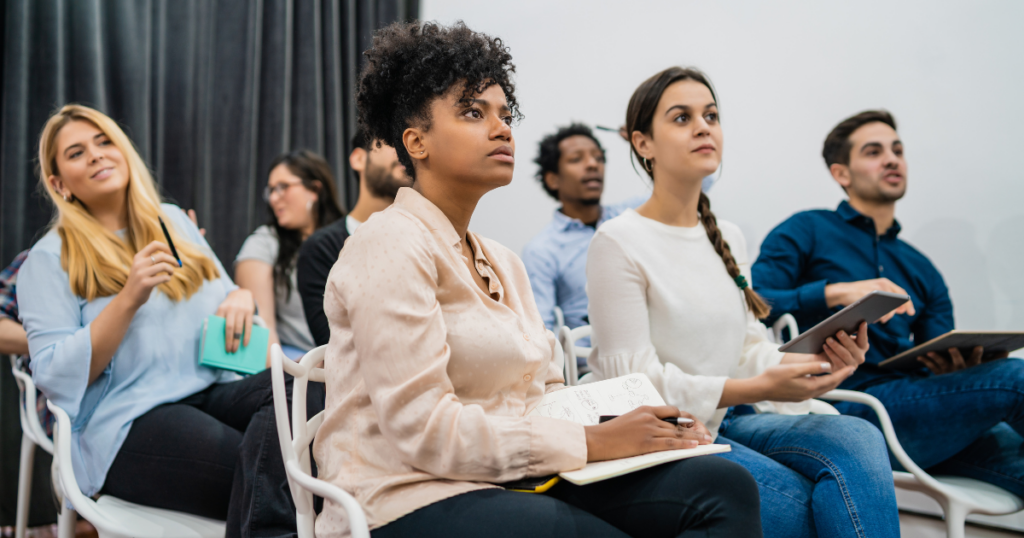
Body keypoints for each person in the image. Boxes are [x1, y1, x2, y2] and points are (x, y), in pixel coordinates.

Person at [312, 22, 762, 538]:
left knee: (723, 486)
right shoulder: (388, 243)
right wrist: (595, 443)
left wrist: (637, 422)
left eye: (505, 114)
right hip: (407, 494)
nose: (502, 128)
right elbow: (424, 431)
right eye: (473, 112)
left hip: (521, 478)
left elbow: (546, 389)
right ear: (416, 142)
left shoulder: (503, 261)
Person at [585, 67, 900, 538]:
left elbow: (748, 348)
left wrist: (813, 362)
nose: (703, 126)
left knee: (859, 436)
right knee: (802, 510)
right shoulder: (618, 242)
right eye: (681, 117)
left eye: (711, 115)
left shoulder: (726, 236)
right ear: (642, 143)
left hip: (731, 417)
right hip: (669, 435)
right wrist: (755, 388)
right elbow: (635, 385)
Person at [17, 104, 319, 537]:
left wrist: (240, 296)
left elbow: (225, 291)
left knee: (308, 387)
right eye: (77, 152)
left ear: (124, 151)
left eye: (105, 142)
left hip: (210, 389)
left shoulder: (172, 221)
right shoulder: (48, 260)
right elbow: (54, 375)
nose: (98, 155)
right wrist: (129, 297)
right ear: (58, 184)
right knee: (286, 468)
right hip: (127, 418)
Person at [752, 110, 1024, 497]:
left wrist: (957, 365)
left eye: (897, 150)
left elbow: (937, 349)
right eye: (874, 151)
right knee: (1016, 379)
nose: (892, 159)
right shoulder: (806, 229)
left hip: (920, 412)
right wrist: (837, 292)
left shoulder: (920, 267)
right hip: (841, 407)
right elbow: (753, 302)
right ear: (841, 173)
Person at [522, 124, 646, 345]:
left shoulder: (629, 217)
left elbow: (694, 186)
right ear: (553, 179)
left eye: (598, 158)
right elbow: (540, 332)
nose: (592, 165)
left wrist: (645, 144)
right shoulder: (541, 251)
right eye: (576, 159)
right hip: (587, 372)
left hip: (652, 358)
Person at [296, 130, 410, 347]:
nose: (406, 152)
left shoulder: (430, 238)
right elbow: (335, 345)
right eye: (393, 142)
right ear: (359, 158)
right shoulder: (321, 249)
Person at [235, 150, 345, 359]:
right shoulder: (263, 243)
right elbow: (264, 330)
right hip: (299, 369)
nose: (274, 198)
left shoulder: (348, 237)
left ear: (314, 189)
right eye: (270, 191)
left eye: (283, 187)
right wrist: (290, 379)